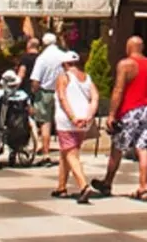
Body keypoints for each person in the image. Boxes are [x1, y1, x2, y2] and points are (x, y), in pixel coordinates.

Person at [93, 36, 147, 202]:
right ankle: (143, 187)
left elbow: (118, 90)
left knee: (117, 147)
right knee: (142, 148)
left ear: (128, 47)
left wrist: (112, 114)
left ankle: (107, 182)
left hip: (129, 110)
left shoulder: (125, 65)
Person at [52, 50, 97, 204]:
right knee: (67, 152)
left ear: (65, 64)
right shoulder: (87, 78)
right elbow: (95, 98)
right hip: (83, 121)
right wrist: (89, 116)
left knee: (71, 154)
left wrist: (72, 117)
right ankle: (61, 187)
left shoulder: (63, 77)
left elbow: (62, 97)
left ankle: (83, 185)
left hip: (67, 121)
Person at [28, 31, 64, 163]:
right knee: (62, 123)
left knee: (45, 123)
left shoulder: (42, 58)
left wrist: (33, 92)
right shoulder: (63, 56)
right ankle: (65, 153)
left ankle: (46, 152)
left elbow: (36, 80)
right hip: (61, 92)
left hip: (45, 92)